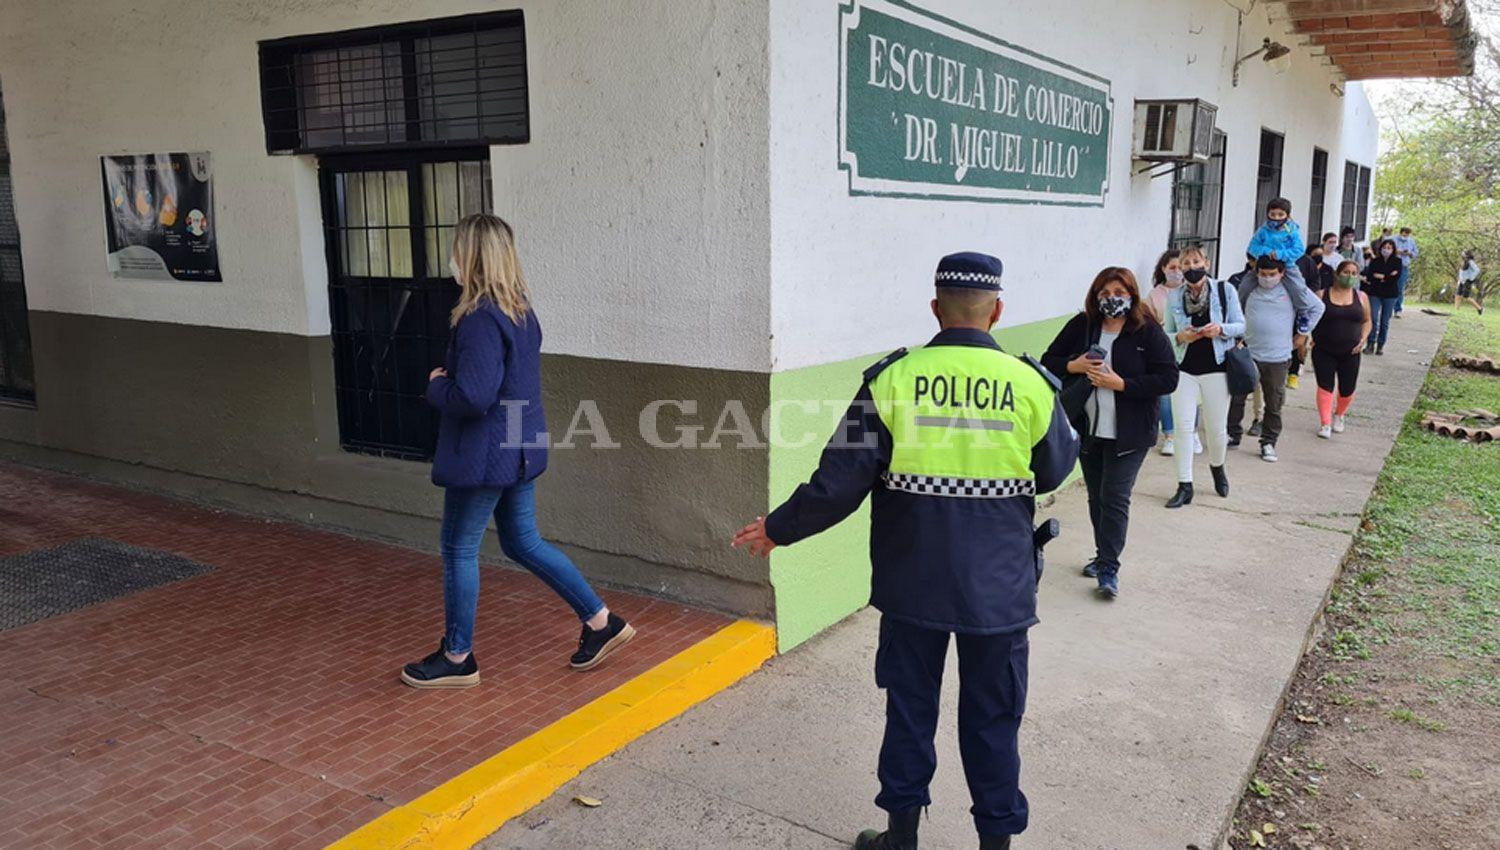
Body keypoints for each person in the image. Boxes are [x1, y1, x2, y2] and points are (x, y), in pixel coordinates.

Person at [733, 252, 1078, 850]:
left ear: (935, 310)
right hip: (998, 591)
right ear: (996, 311)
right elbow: (1052, 471)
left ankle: (901, 837)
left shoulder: (891, 380)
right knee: (994, 719)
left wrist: (779, 529)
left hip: (912, 586)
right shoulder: (1030, 384)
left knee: (910, 711)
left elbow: (837, 483)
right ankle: (995, 841)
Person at [402, 214, 635, 689]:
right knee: (522, 541)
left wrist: (436, 387)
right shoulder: (521, 312)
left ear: (471, 256)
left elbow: (474, 396)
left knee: (458, 548)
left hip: (486, 454)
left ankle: (457, 656)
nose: (452, 258)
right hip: (518, 446)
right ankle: (600, 622)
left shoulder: (479, 320)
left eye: (457, 249)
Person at [1041, 267, 1178, 598]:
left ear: (1131, 295)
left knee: (1115, 497)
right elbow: (1049, 360)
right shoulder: (1083, 325)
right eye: (1104, 293)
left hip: (1129, 433)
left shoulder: (1146, 332)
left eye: (1119, 292)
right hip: (1088, 430)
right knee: (1096, 497)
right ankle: (1103, 553)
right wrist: (1073, 365)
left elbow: (1168, 378)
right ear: (1095, 295)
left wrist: (1122, 385)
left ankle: (1108, 568)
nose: (1111, 299)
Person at [1162, 246, 1245, 508]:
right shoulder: (1174, 296)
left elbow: (1241, 325)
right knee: (1183, 427)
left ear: (1206, 263)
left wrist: (1220, 329)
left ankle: (1217, 467)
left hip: (1217, 367)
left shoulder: (1224, 290)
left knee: (1216, 430)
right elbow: (1167, 333)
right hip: (1184, 368)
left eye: (1195, 261)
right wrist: (1179, 337)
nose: (1190, 267)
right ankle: (1184, 485)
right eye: (1185, 264)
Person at [1229, 256, 1324, 463]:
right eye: (1263, 274)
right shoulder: (1249, 289)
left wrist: (1303, 333)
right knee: (1237, 397)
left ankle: (1268, 442)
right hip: (1249, 352)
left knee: (1274, 403)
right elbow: (1234, 312)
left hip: (1277, 357)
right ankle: (1232, 434)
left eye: (1272, 275)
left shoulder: (1292, 291)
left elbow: (1317, 307)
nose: (1267, 278)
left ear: (1281, 273)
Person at [1145, 249, 1200, 457]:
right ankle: (1169, 436)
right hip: (1164, 349)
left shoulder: (1193, 291)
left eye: (1180, 267)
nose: (1177, 271)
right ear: (1163, 269)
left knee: (1191, 395)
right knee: (1166, 395)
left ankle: (1192, 433)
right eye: (1172, 268)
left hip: (1191, 350)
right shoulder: (1155, 295)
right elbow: (1146, 321)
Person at [1311, 261, 1372, 438]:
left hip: (1351, 352)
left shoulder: (1361, 297)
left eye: (1354, 273)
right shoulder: (1321, 295)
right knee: (1325, 386)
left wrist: (1363, 338)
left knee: (1347, 389)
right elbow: (1310, 318)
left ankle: (1339, 414)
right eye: (1346, 272)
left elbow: (1367, 320)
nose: (1350, 276)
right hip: (1324, 349)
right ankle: (1325, 423)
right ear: (1337, 274)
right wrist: (1308, 337)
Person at [1363, 239, 1402, 355]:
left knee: (1385, 321)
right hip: (1375, 293)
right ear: (1380, 248)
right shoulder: (1375, 261)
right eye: (1384, 247)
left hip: (1390, 295)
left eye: (1389, 248)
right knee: (1373, 319)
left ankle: (1380, 345)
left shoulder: (1397, 261)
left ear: (1393, 249)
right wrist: (1387, 276)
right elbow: (1370, 276)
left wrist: (1382, 276)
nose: (1386, 250)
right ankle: (1370, 343)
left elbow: (1395, 278)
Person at [1247, 197, 1304, 263]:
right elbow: (1252, 247)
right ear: (1267, 214)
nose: (1276, 218)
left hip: (1287, 266)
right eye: (1272, 214)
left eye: (1281, 215)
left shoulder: (1291, 231)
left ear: (1287, 216)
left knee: (1296, 274)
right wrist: (1268, 252)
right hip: (1264, 266)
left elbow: (1299, 250)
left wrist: (1279, 254)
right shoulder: (1263, 230)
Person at [1393, 227, 1419, 317]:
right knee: (1391, 286)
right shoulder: (1393, 239)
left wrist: (1409, 253)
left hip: (1404, 266)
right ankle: (1388, 307)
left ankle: (1397, 309)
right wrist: (1397, 252)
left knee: (1400, 288)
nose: (1405, 236)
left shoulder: (1411, 241)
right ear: (1400, 233)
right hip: (1393, 266)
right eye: (1404, 235)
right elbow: (1387, 250)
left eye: (1407, 235)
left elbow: (1416, 254)